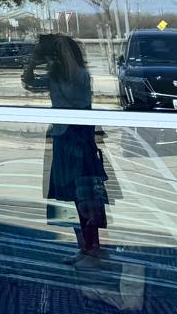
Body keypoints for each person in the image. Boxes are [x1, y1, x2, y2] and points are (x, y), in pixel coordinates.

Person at [22, 33, 112, 266]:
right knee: (70, 196)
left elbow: (73, 91)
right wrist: (33, 61)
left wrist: (62, 50)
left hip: (79, 141)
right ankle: (84, 247)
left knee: (85, 196)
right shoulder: (55, 76)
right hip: (63, 140)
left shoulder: (81, 76)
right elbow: (29, 83)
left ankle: (93, 249)